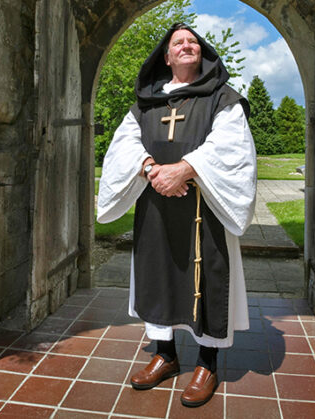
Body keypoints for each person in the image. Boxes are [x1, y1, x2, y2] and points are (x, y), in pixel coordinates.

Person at [96, 22, 257, 407]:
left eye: (193, 42)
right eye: (177, 43)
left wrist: (184, 169)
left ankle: (207, 362)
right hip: (155, 205)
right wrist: (152, 169)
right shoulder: (147, 103)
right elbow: (125, 144)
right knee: (158, 273)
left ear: (201, 53)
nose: (187, 46)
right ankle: (164, 354)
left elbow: (231, 147)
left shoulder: (222, 99)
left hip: (206, 207)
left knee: (206, 278)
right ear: (166, 56)